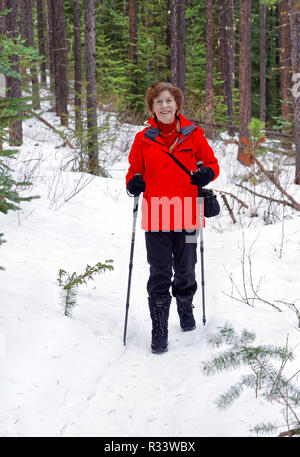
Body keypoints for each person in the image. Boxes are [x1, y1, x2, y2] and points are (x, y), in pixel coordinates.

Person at [126, 82, 219, 354]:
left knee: (187, 266)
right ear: (152, 108)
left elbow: (212, 164)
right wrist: (133, 183)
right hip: (157, 214)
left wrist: (207, 174)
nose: (164, 106)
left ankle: (184, 304)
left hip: (189, 213)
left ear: (177, 104)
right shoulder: (143, 139)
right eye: (158, 102)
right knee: (160, 271)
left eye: (168, 101)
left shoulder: (194, 135)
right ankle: (159, 327)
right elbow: (133, 171)